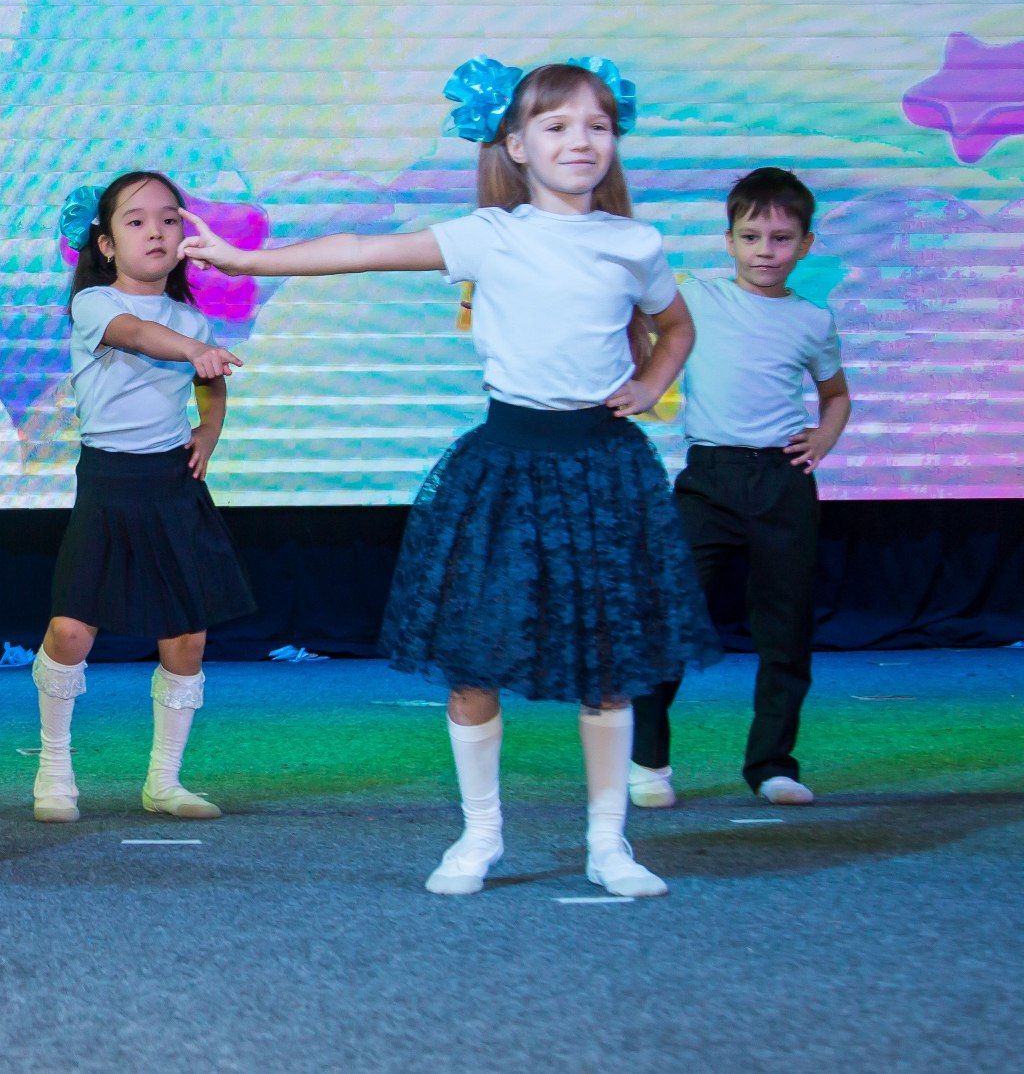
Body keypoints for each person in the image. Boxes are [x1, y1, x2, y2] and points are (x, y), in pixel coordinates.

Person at [182, 57, 718, 898]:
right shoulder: (488, 234)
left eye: (597, 126)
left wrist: (651, 384)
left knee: (609, 667)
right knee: (472, 661)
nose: (580, 141)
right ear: (517, 144)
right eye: (557, 125)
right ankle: (480, 833)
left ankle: (607, 843)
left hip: (604, 471)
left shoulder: (635, 244)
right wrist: (247, 262)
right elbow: (361, 248)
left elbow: (676, 327)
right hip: (506, 468)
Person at [30, 172, 252, 825]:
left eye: (169, 219)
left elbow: (209, 381)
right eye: (136, 221)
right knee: (71, 630)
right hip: (109, 483)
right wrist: (196, 350)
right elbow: (137, 334)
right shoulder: (95, 304)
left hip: (172, 486)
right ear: (104, 243)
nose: (155, 231)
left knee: (186, 637)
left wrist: (209, 429)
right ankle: (54, 771)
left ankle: (164, 781)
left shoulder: (192, 319)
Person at [631, 166, 850, 810]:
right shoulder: (695, 298)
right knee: (670, 614)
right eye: (751, 237)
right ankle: (648, 760)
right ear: (728, 241)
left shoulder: (813, 319)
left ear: (806, 244)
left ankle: (772, 765)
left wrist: (824, 437)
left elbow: (836, 395)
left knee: (786, 628)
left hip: (783, 482)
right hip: (709, 479)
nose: (765, 252)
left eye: (781, 239)